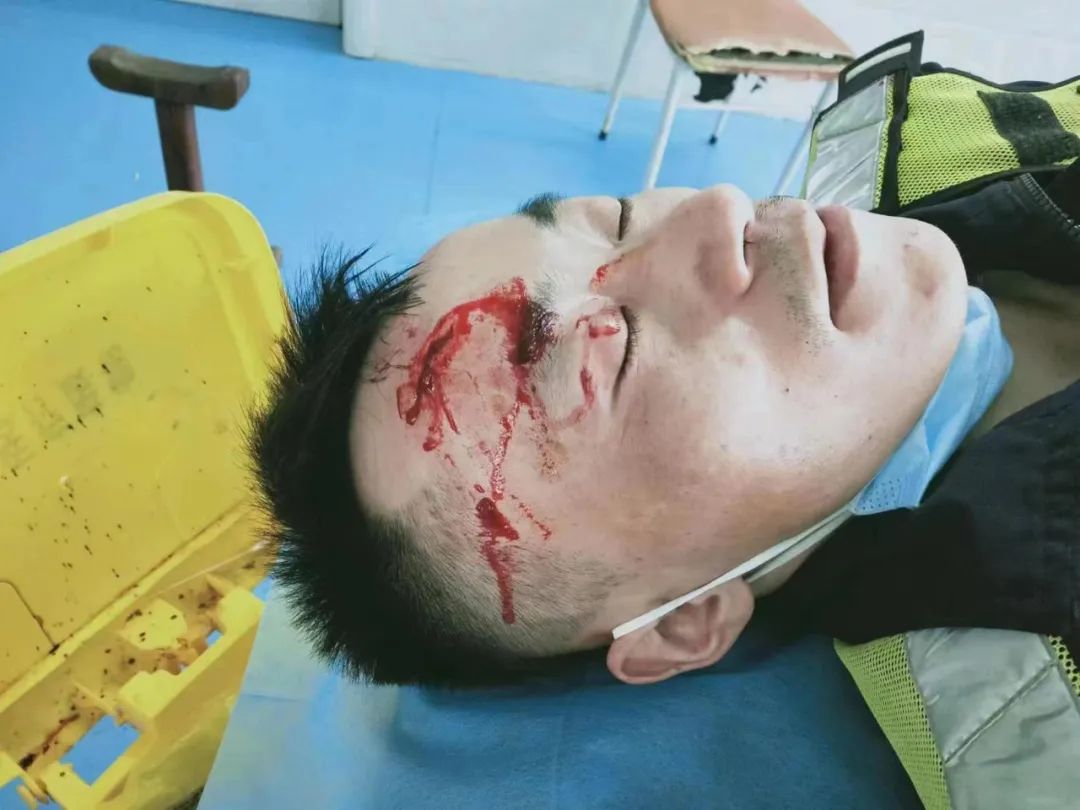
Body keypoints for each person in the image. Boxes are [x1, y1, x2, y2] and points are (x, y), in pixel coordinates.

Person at [248, 162, 1079, 687]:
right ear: (684, 621)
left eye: (616, 217)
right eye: (611, 352)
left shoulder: (927, 150)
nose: (718, 208)